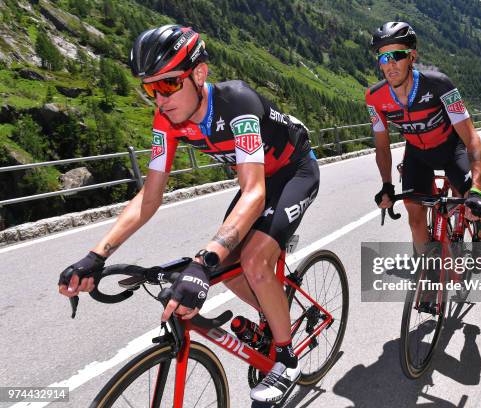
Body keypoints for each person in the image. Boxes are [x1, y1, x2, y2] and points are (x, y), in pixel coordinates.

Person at [58, 25, 318, 403]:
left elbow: (255, 193)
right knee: (222, 267)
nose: (159, 99)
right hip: (256, 179)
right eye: (150, 89)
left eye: (167, 85)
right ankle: (273, 309)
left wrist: (203, 258)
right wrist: (97, 255)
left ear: (199, 74)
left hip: (293, 171)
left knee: (253, 262)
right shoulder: (166, 120)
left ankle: (286, 357)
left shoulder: (237, 103)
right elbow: (150, 196)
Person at [365, 21, 481, 260]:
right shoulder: (374, 98)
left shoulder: (439, 84)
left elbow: (471, 138)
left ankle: (479, 242)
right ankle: (429, 279)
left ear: (412, 56)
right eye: (384, 58)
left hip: (452, 149)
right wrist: (387, 185)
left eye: (397, 55)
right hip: (417, 155)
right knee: (415, 220)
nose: (390, 64)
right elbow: (382, 147)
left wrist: (476, 189)